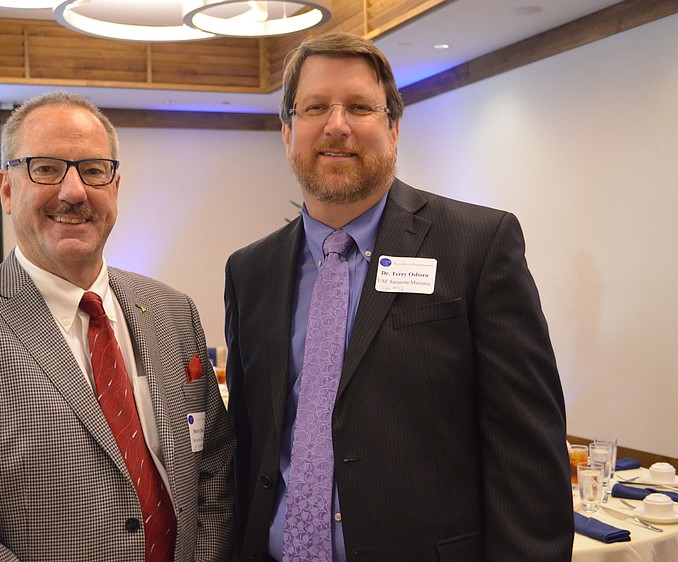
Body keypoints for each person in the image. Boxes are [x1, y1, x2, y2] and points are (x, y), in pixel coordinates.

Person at [224, 32, 573, 561]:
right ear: (287, 131)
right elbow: (251, 446)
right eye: (316, 106)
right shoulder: (250, 271)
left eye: (360, 107)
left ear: (392, 127)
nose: (337, 125)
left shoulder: (477, 247)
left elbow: (529, 457)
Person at [0, 91, 235, 561]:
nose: (74, 192)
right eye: (46, 169)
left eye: (93, 170)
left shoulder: (172, 311)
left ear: (114, 187)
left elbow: (214, 467)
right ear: (7, 189)